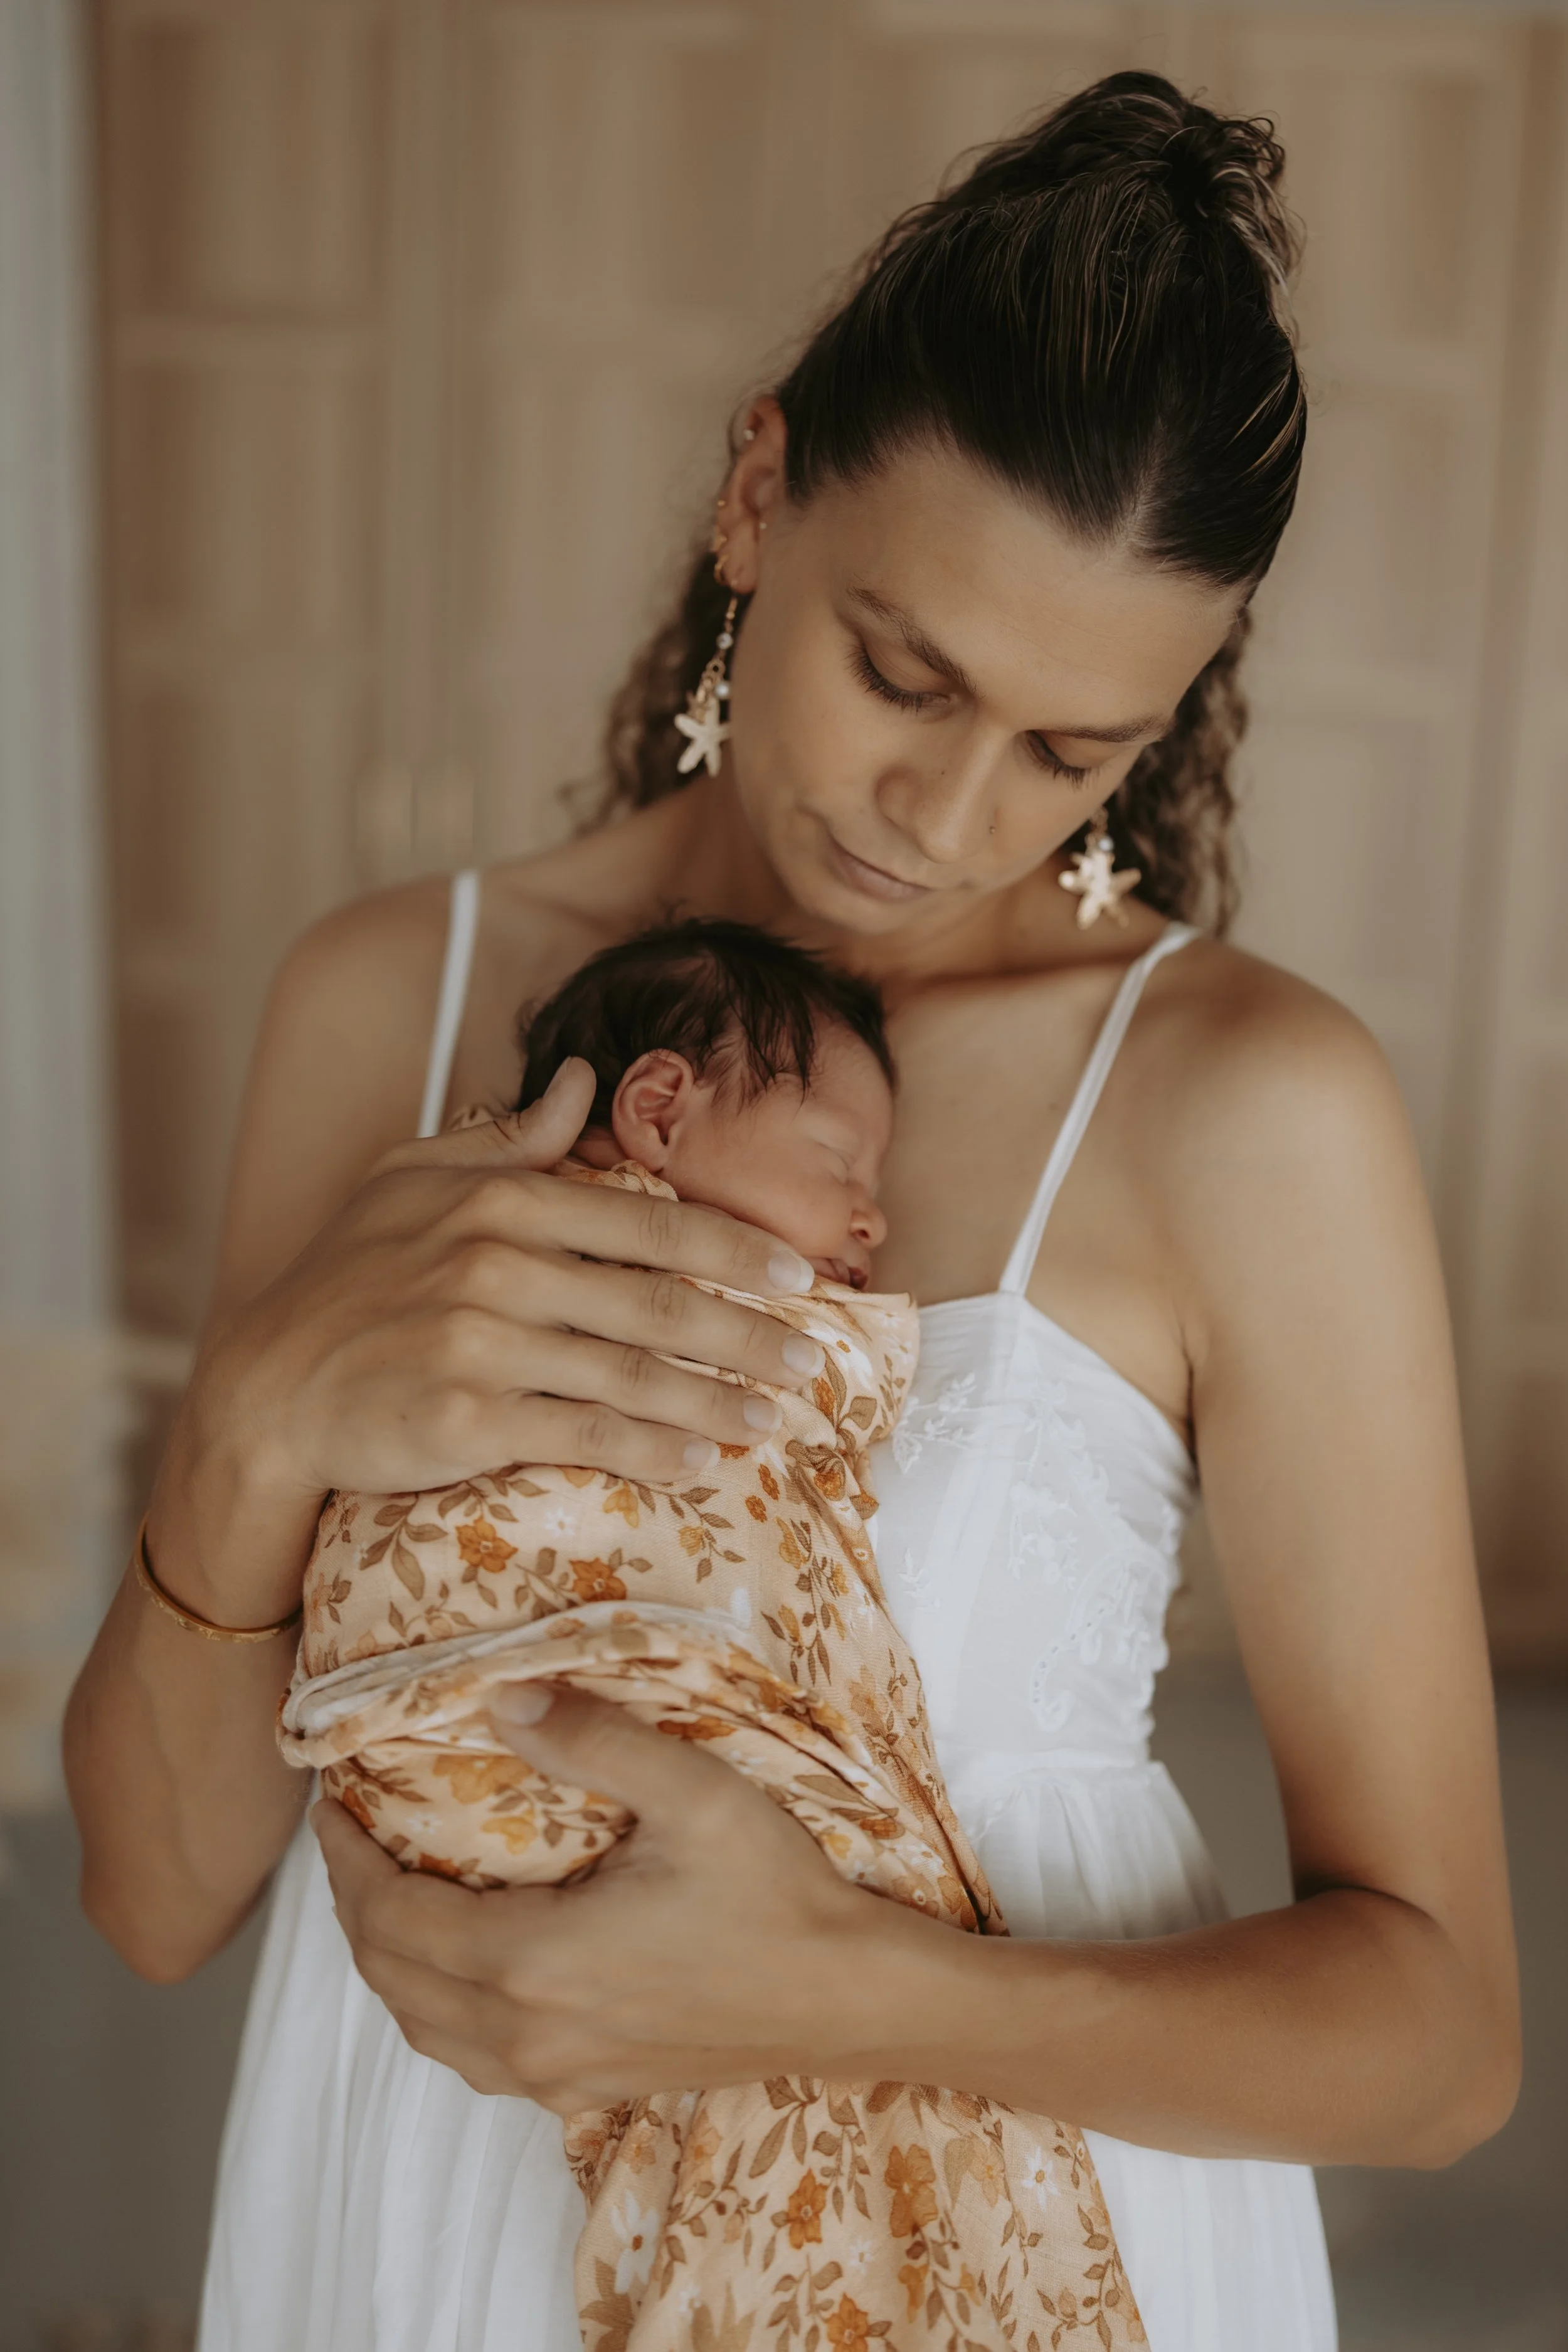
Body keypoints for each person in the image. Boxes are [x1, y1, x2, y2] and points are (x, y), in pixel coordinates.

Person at [64, 68, 1518, 2352]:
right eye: (902, 672)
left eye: (1070, 754)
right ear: (758, 497)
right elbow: (156, 1896)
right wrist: (257, 1422)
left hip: (1004, 2237)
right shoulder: (397, 992)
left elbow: (1437, 2042)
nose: (947, 818)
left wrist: (838, 1985)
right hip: (426, 2231)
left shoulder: (1245, 1107)